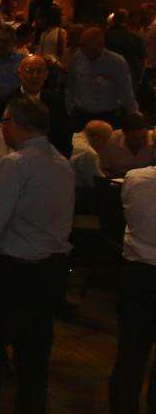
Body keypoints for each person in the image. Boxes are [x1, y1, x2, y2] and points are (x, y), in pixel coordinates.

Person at [0, 96, 74, 414]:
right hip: (49, 271)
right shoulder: (61, 163)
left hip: (12, 274)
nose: (1, 126)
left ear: (20, 125)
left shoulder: (17, 164)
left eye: (6, 120)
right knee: (34, 358)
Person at [110, 162, 156, 414]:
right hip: (138, 272)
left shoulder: (134, 178)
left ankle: (122, 407)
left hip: (137, 272)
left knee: (130, 352)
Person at [67, 27, 139, 132]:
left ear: (99, 45)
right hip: (81, 115)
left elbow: (125, 91)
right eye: (81, 45)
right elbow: (71, 85)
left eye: (87, 46)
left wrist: (133, 114)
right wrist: (70, 107)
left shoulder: (116, 62)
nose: (82, 49)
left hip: (108, 116)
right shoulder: (76, 58)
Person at [18, 54, 72, 156]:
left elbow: (65, 137)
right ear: (19, 73)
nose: (34, 76)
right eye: (29, 71)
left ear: (46, 75)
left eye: (39, 72)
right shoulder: (8, 102)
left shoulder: (56, 102)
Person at [100, 112, 156, 178]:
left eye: (144, 137)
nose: (140, 141)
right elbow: (103, 168)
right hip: (117, 180)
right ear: (124, 133)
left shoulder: (154, 138)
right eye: (135, 138)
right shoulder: (111, 141)